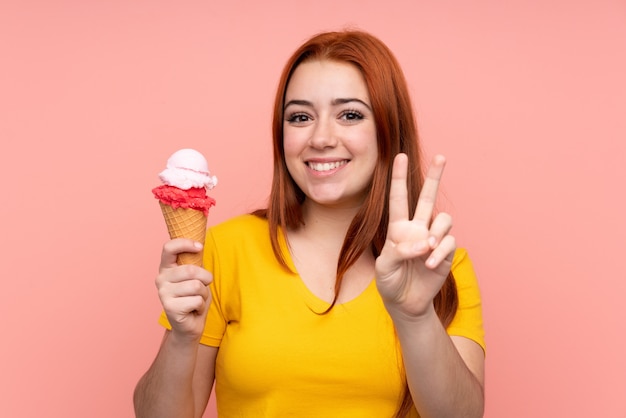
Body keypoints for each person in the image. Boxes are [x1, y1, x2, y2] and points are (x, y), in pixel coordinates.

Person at [134, 29, 485, 418]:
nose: (320, 138)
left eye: (349, 115)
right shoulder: (224, 250)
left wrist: (415, 316)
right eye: (300, 117)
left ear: (389, 128)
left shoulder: (438, 267)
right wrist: (182, 340)